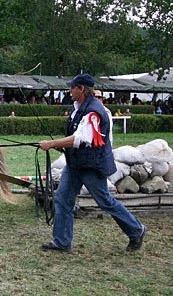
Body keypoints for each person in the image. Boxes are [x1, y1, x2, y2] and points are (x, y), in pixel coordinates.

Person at [39, 73, 147, 252]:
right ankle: (61, 242)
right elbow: (77, 139)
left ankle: (137, 230)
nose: (69, 90)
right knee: (63, 199)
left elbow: (82, 138)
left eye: (72, 87)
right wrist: (63, 147)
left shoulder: (94, 111)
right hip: (75, 164)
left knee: (105, 201)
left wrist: (52, 144)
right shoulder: (79, 107)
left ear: (81, 89)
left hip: (91, 165)